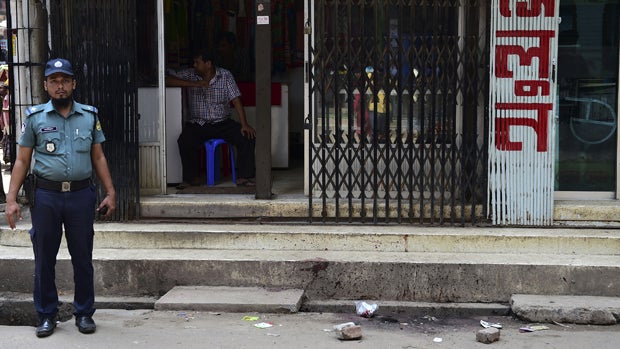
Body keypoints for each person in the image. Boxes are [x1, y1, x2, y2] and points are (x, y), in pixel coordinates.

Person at [4, 58, 116, 338]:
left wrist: (110, 192)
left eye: (65, 80)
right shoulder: (34, 118)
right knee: (44, 258)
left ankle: (84, 313)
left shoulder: (89, 116)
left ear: (73, 84)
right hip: (47, 197)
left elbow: (98, 156)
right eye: (54, 81)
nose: (60, 86)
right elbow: (21, 160)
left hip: (80, 195)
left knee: (82, 257)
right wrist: (11, 199)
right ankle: (46, 315)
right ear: (46, 85)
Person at [166, 49, 256, 188]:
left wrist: (244, 124)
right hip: (199, 123)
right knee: (184, 140)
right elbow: (166, 80)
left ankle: (244, 177)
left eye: (197, 62)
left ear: (208, 64)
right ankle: (191, 179)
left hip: (222, 123)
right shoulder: (190, 74)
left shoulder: (225, 75)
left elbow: (236, 100)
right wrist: (195, 84)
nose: (194, 65)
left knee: (247, 136)